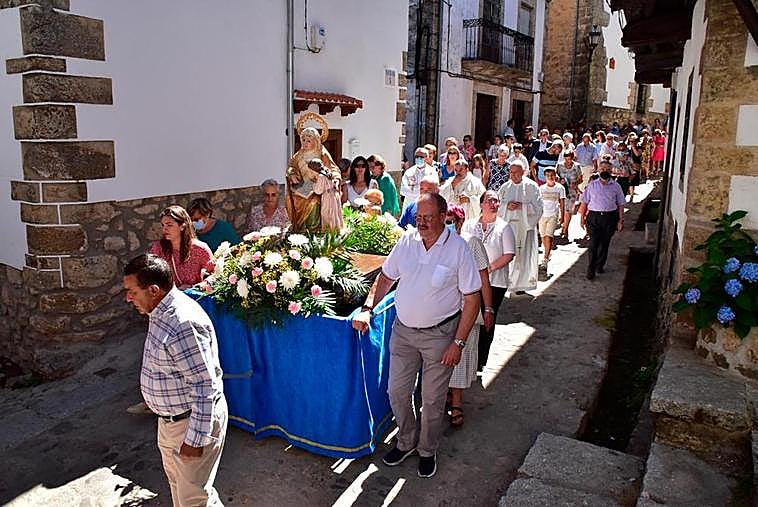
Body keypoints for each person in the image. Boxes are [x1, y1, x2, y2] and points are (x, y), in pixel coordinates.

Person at [352, 193, 481, 478]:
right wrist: (367, 308)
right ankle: (406, 441)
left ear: (444, 215)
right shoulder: (407, 242)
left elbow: (472, 299)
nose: (421, 223)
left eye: (427, 218)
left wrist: (458, 342)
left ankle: (427, 450)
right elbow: (386, 277)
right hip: (404, 332)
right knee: (396, 392)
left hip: (441, 335)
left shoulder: (458, 249)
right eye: (418, 218)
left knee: (433, 401)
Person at [123, 254, 227, 506]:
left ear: (154, 290)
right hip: (170, 423)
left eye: (132, 292)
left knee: (193, 499)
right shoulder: (159, 309)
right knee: (181, 492)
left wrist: (195, 440)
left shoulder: (182, 323)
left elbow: (205, 385)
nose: (128, 298)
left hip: (190, 424)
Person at [447, 204, 494, 428]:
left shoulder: (471, 243)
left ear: (460, 222)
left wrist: (488, 309)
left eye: (453, 220)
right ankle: (444, 396)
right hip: (443, 312)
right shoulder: (437, 244)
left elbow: (484, 278)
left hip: (468, 310)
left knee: (461, 357)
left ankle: (456, 403)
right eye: (445, 219)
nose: (449, 224)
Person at [461, 190, 515, 370]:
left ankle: (480, 360)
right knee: (468, 316)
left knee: (487, 317)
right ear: (482, 204)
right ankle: (467, 356)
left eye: (497, 201)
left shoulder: (504, 227)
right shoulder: (469, 225)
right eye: (490, 200)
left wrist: (488, 268)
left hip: (495, 281)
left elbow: (509, 254)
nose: (494, 204)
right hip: (471, 279)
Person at [285, 126, 342, 232]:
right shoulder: (298, 155)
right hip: (302, 185)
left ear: (315, 141)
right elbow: (291, 167)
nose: (305, 143)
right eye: (303, 140)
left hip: (318, 186)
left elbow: (333, 168)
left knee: (313, 202)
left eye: (309, 141)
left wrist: (336, 179)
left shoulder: (322, 153)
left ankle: (313, 231)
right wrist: (292, 174)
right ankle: (299, 228)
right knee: (293, 198)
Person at [497, 161, 543, 293]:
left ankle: (521, 284)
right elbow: (498, 206)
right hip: (508, 227)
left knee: (523, 256)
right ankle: (506, 281)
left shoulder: (532, 186)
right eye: (511, 172)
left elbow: (539, 208)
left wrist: (522, 207)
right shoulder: (505, 187)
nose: (513, 175)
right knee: (507, 254)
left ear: (523, 172)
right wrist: (506, 206)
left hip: (524, 227)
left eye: (516, 172)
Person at [578, 160, 626, 280]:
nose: (605, 171)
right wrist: (581, 218)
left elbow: (620, 204)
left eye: (607, 169)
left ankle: (600, 265)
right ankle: (591, 269)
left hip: (610, 218)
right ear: (599, 170)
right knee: (593, 243)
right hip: (594, 218)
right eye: (602, 168)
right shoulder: (592, 185)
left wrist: (621, 220)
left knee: (604, 243)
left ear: (611, 171)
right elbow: (584, 201)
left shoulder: (616, 186)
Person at [149, 206, 214, 290]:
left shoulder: (200, 249)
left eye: (169, 225)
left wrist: (194, 288)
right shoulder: (158, 249)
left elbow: (213, 276)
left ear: (182, 226)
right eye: (163, 225)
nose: (164, 229)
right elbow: (151, 276)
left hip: (197, 299)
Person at [538, 168, 566, 270]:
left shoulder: (560, 188)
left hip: (553, 215)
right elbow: (538, 202)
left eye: (552, 175)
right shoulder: (541, 188)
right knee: (543, 236)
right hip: (542, 216)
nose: (550, 177)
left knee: (549, 236)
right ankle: (548, 252)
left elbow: (562, 203)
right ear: (545, 177)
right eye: (548, 175)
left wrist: (562, 216)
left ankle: (545, 259)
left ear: (555, 175)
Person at [556, 150, 583, 240]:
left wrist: (575, 183)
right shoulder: (559, 165)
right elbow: (556, 177)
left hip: (571, 191)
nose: (567, 161)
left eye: (569, 159)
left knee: (568, 210)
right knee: (562, 210)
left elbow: (581, 179)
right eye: (566, 159)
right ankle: (563, 225)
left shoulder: (577, 166)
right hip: (560, 190)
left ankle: (565, 229)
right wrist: (559, 180)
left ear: (572, 158)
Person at [400, 147, 438, 212]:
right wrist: (421, 191)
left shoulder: (432, 172)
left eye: (421, 157)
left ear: (427, 158)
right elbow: (403, 191)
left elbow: (433, 190)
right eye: (417, 156)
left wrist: (413, 190)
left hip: (426, 205)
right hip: (410, 204)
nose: (419, 158)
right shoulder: (409, 172)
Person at [628, 133, 642, 199]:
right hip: (629, 165)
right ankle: (631, 194)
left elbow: (637, 154)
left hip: (636, 164)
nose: (632, 142)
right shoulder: (628, 148)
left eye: (633, 141)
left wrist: (633, 147)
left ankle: (632, 192)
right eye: (631, 141)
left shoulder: (639, 147)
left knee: (635, 180)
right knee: (631, 180)